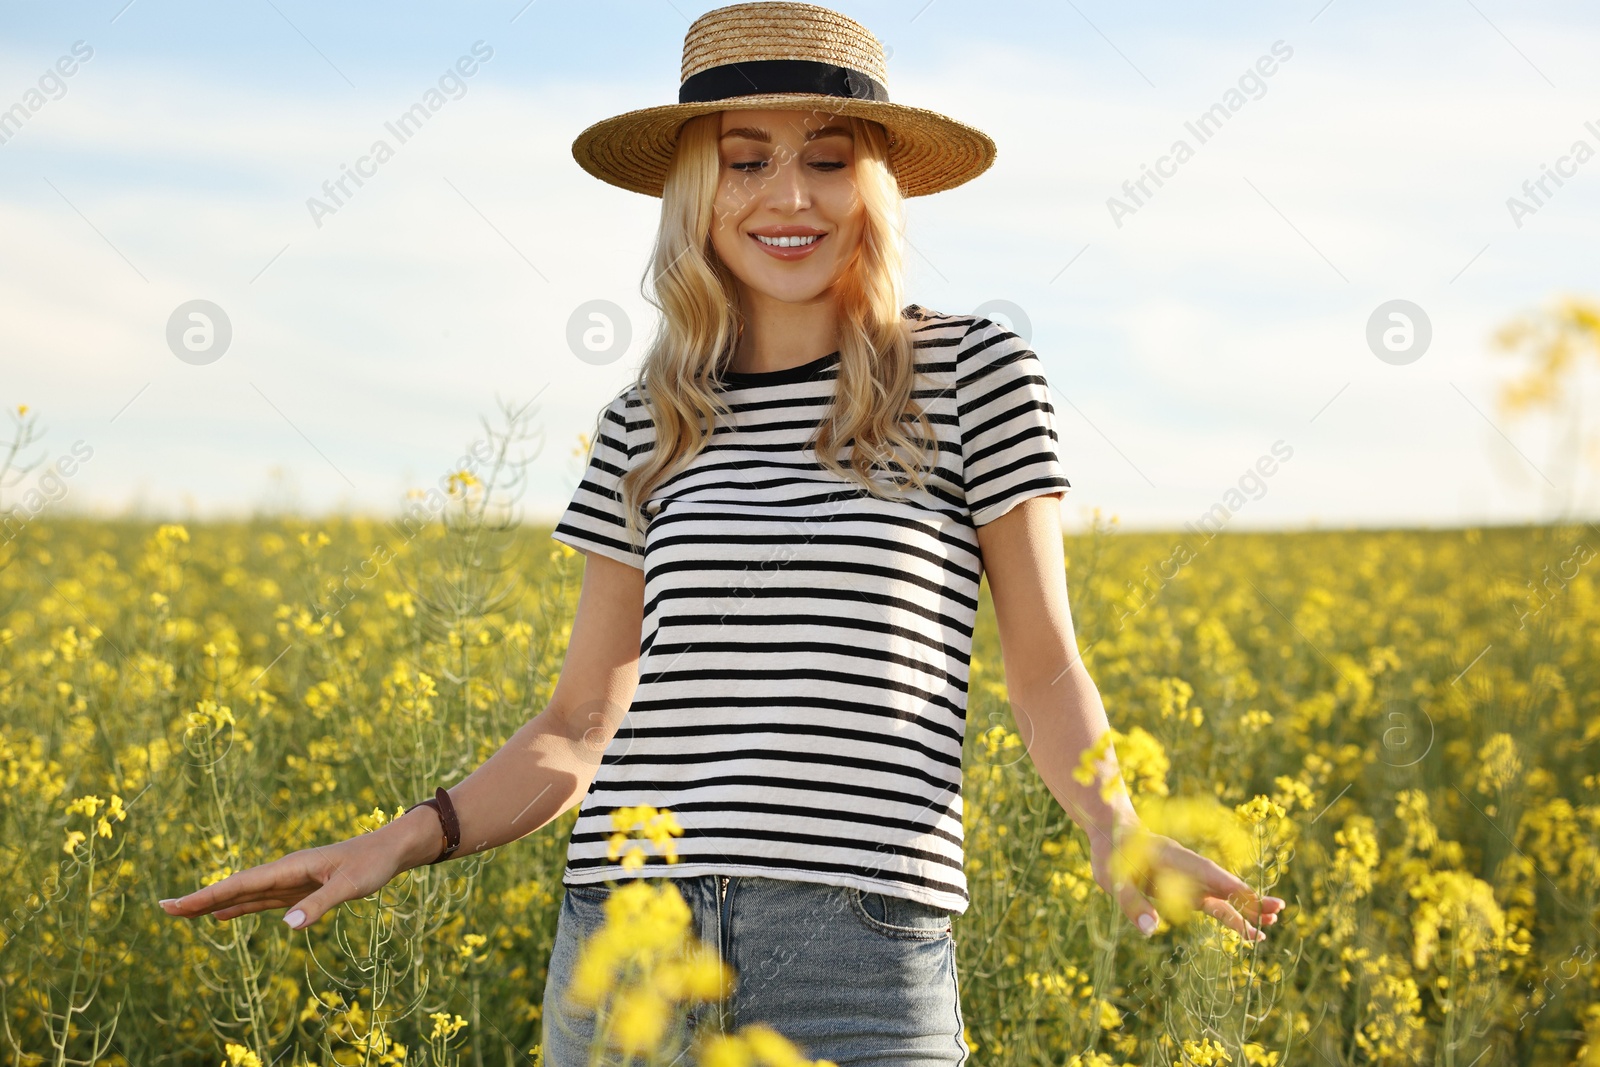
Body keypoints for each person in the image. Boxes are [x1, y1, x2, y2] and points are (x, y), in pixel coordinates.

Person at [160, 3, 1285, 1064]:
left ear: (875, 184)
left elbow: (1044, 670)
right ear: (698, 188)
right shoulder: (649, 419)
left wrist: (1115, 822)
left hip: (864, 942)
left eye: (829, 158)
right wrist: (400, 837)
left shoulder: (972, 371)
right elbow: (575, 724)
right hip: (625, 931)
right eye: (746, 160)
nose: (788, 196)